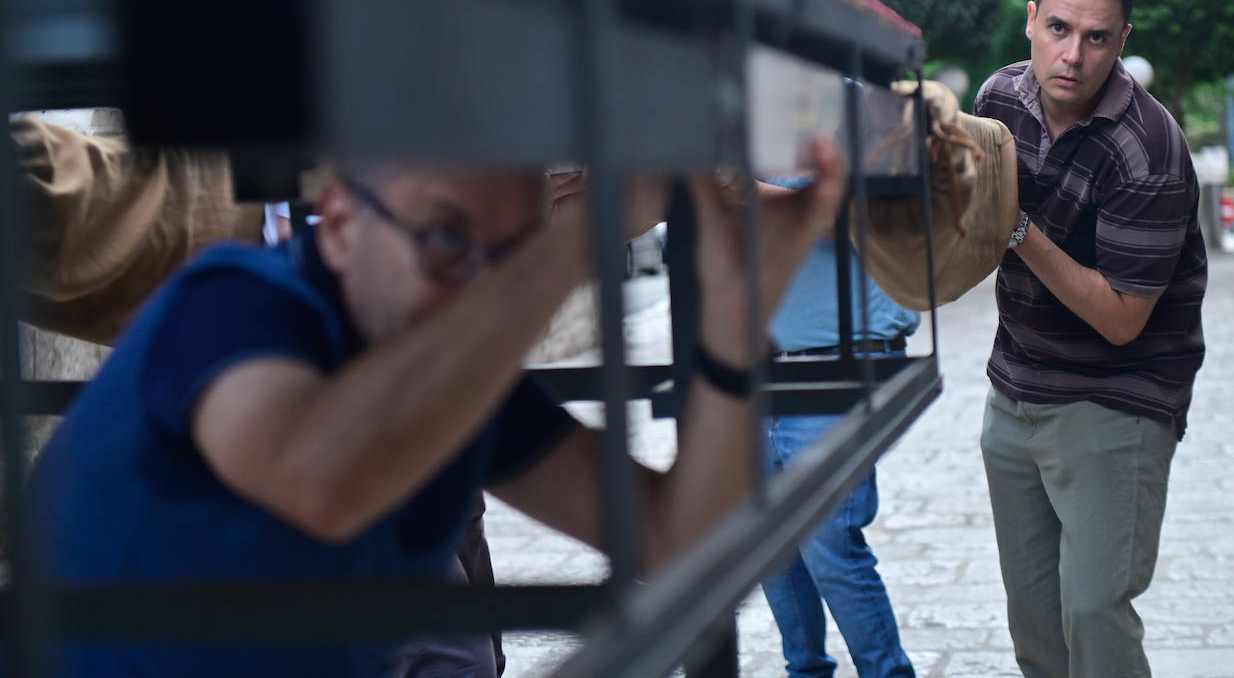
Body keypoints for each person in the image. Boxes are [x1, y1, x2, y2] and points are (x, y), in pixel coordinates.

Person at [26, 145, 845, 678]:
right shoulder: (235, 305)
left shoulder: (452, 373)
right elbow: (325, 484)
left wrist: (735, 333)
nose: (484, 291)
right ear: (340, 221)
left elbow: (677, 537)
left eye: (510, 253)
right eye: (448, 239)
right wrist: (566, 247)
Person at [973, 0, 1207, 678]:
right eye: (1059, 29)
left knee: (1094, 618)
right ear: (1033, 19)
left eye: (1097, 37)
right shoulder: (999, 101)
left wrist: (1013, 225)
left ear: (1122, 41)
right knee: (1036, 628)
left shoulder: (1149, 151)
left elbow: (1120, 318)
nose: (1072, 55)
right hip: (1015, 386)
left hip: (1118, 398)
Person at [760, 178, 918, 678]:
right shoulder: (737, 121)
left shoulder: (854, 108)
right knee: (772, 547)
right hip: (762, 369)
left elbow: (859, 218)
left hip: (842, 365)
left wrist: (743, 190)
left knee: (829, 543)